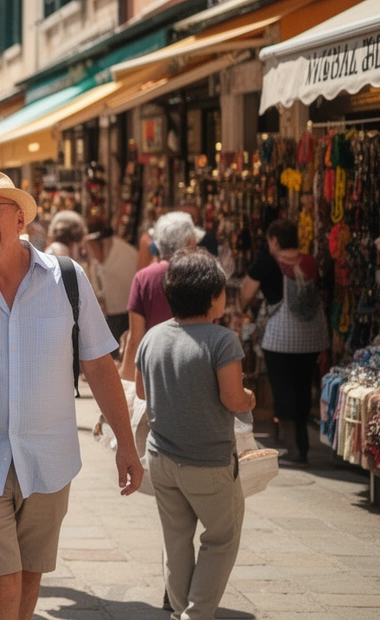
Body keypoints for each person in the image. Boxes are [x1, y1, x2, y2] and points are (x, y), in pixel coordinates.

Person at [0, 169, 141, 620]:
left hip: (48, 459)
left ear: (20, 218)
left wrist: (126, 443)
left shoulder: (67, 278)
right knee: (2, 585)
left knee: (29, 579)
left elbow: (98, 364)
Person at [136, 248, 255, 620]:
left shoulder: (153, 337)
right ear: (211, 297)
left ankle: (179, 610)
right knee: (221, 539)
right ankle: (196, 614)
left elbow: (141, 391)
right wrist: (249, 397)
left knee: (176, 540)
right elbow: (233, 399)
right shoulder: (221, 341)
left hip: (161, 459)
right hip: (209, 462)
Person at [238, 219, 329, 467]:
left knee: (282, 390)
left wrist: (247, 306)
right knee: (303, 389)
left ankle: (294, 447)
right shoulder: (310, 262)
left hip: (280, 338)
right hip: (311, 338)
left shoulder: (267, 263)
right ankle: (302, 444)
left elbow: (245, 294)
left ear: (275, 240)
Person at [119, 212, 203, 381]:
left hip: (154, 369)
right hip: (193, 366)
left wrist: (126, 379)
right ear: (189, 241)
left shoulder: (144, 278)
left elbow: (135, 338)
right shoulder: (200, 274)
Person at [84, 219, 139, 345]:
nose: (91, 249)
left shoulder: (127, 255)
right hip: (107, 316)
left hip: (124, 314)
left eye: (94, 245)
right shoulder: (102, 258)